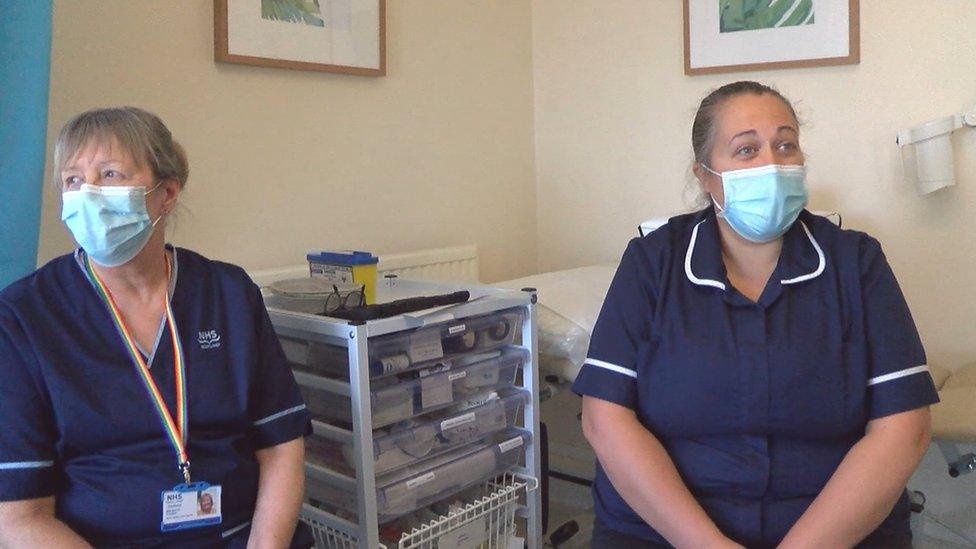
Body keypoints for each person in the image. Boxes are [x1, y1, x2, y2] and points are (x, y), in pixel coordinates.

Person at [573, 81, 938, 548]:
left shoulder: (857, 262)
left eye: (785, 145)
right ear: (705, 176)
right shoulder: (653, 261)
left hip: (838, 532)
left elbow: (903, 428)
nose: (772, 162)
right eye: (746, 150)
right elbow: (605, 418)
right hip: (663, 532)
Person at [0, 107, 314, 548]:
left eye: (109, 174)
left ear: (166, 194)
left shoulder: (228, 293)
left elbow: (281, 447)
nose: (88, 193)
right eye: (73, 180)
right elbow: (18, 517)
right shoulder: (22, 317)